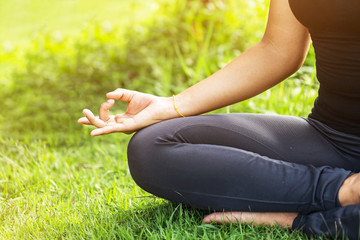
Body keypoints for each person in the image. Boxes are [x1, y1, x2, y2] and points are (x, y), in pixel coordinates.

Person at [78, 0, 360, 238]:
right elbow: (277, 50)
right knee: (151, 146)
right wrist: (170, 106)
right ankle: (342, 191)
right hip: (332, 135)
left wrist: (298, 223)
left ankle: (329, 208)